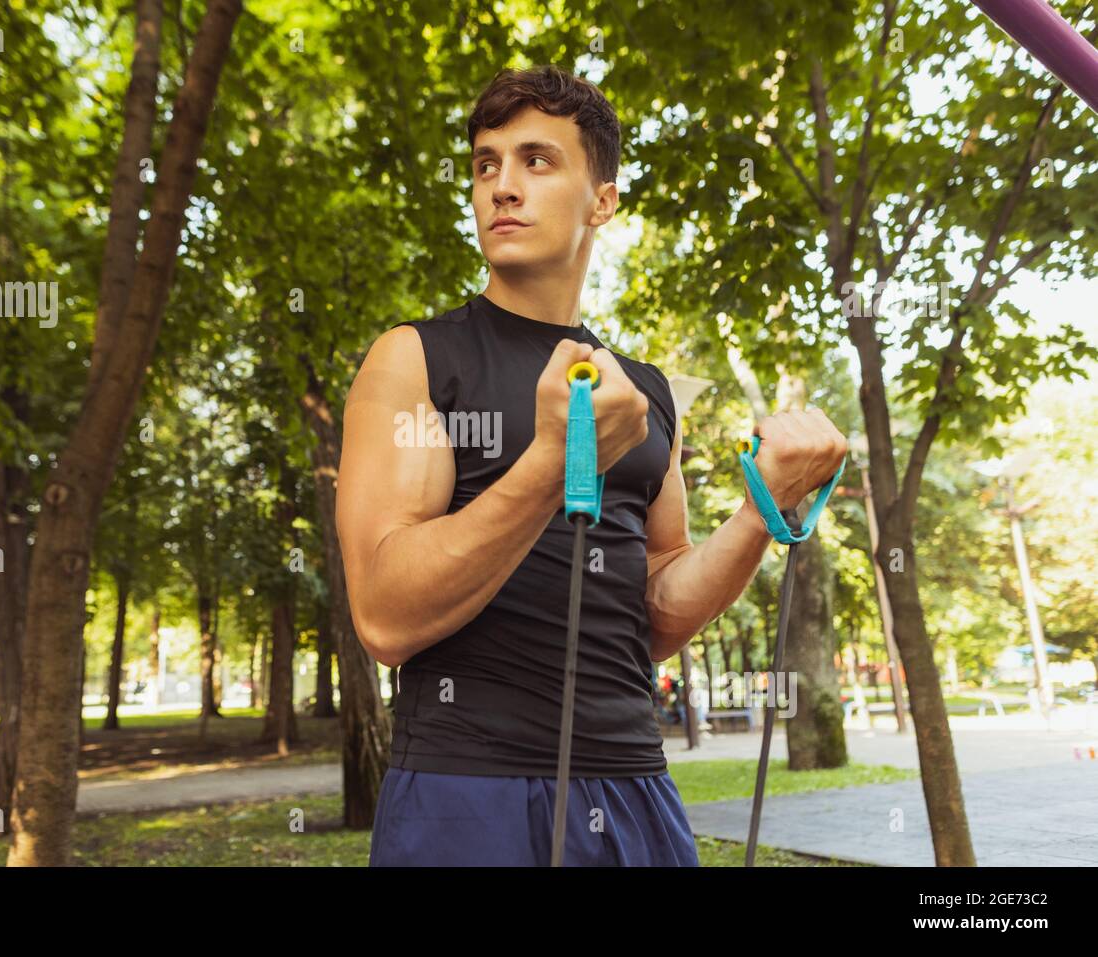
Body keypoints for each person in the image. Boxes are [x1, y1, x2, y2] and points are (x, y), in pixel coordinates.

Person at [336, 65, 848, 867]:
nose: (502, 185)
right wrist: (553, 460)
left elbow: (657, 614)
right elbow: (384, 615)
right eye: (485, 163)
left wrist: (760, 513)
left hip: (635, 786)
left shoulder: (642, 393)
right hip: (467, 790)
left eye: (536, 161)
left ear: (602, 200)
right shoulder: (417, 360)